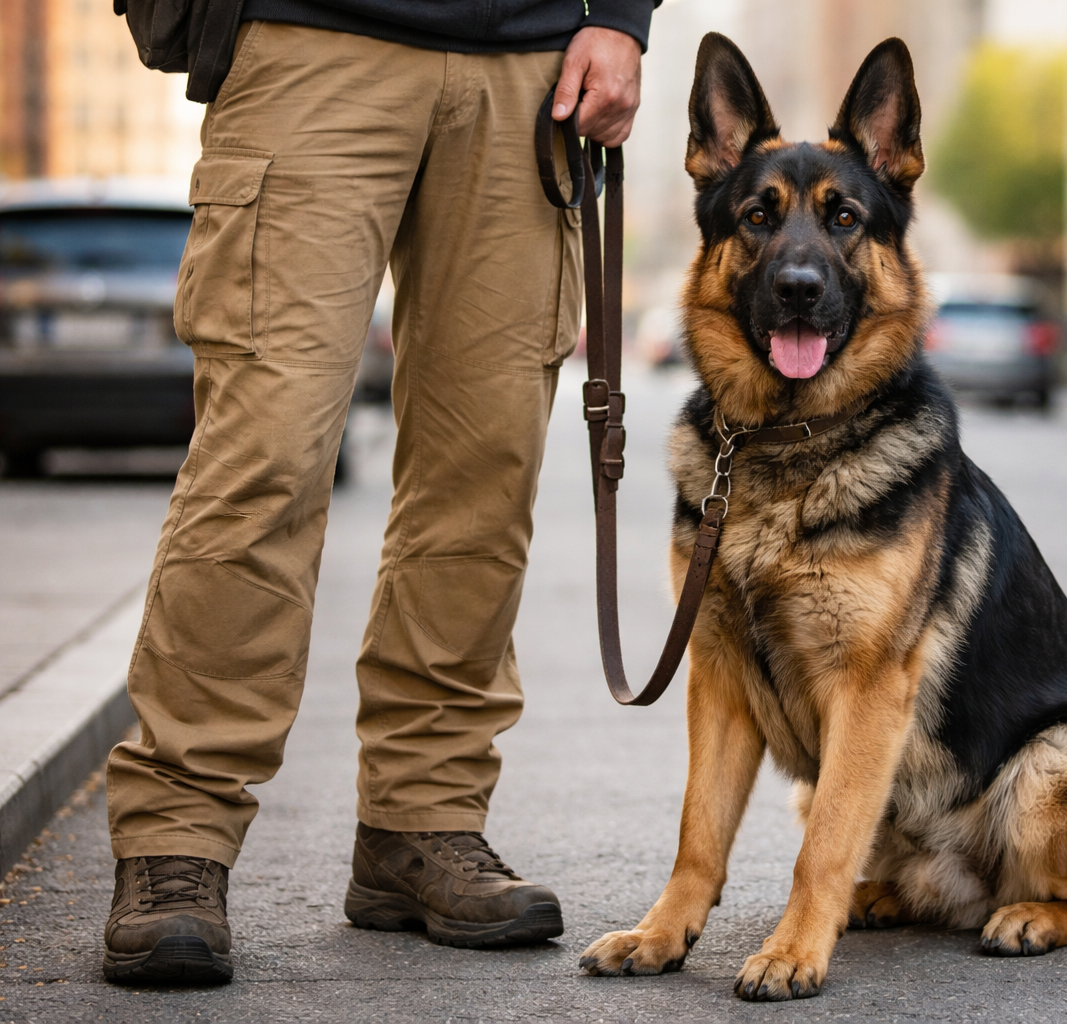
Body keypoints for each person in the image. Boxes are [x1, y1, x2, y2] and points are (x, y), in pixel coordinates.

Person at [101, 0, 655, 985]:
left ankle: (423, 818)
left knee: (484, 472)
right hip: (309, 34)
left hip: (526, 62)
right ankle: (175, 835)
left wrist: (620, 15)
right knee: (263, 454)